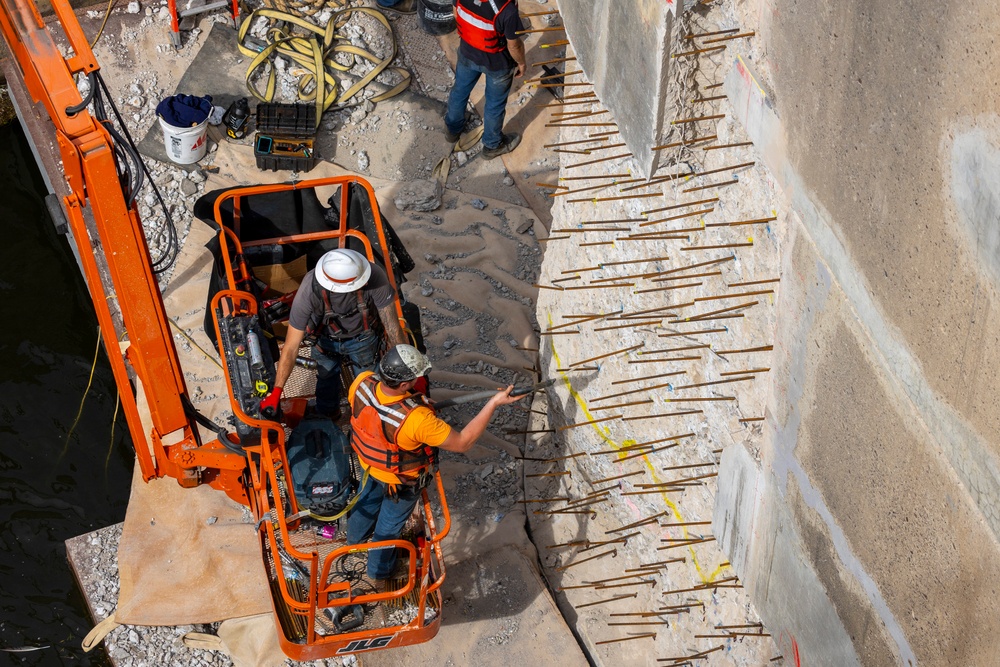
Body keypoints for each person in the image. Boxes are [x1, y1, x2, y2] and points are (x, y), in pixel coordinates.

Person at [346, 344, 524, 582]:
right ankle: (379, 572)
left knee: (365, 503)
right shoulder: (419, 421)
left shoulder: (361, 383)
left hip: (367, 464)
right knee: (387, 530)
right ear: (404, 384)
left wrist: (415, 401)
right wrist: (493, 403)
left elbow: (382, 410)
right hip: (400, 482)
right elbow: (463, 442)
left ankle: (352, 541)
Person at [260, 248, 406, 419]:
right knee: (326, 378)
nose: (365, 283)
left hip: (363, 339)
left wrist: (404, 367)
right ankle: (329, 414)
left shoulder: (373, 275)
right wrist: (277, 390)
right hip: (325, 341)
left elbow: (392, 328)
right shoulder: (309, 289)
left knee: (368, 384)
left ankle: (365, 418)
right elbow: (291, 347)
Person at [445, 0, 527, 160]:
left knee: (460, 90)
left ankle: (452, 129)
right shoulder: (507, 10)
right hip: (498, 65)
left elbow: (456, 13)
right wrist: (521, 62)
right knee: (494, 105)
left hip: (467, 53)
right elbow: (514, 46)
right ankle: (492, 145)